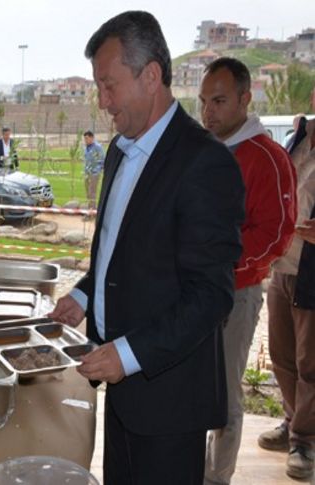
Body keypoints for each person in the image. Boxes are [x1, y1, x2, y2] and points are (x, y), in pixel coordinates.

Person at [49, 11, 245, 485]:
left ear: (151, 76)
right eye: (98, 87)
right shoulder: (120, 150)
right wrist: (83, 294)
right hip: (122, 392)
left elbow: (210, 296)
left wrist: (128, 354)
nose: (103, 102)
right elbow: (118, 251)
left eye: (109, 85)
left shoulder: (205, 163)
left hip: (169, 396)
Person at [198, 57, 298, 485]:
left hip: (235, 293)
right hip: (193, 292)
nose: (208, 112)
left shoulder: (267, 157)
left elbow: (277, 233)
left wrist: (217, 264)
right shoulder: (204, 149)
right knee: (197, 388)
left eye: (219, 101)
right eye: (204, 101)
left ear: (245, 98)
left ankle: (217, 478)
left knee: (224, 394)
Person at [257, 116, 315, 481]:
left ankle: (304, 442)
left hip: (312, 271)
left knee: (310, 362)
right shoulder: (300, 135)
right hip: (283, 264)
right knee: (281, 355)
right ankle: (293, 422)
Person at [82, 130, 105, 211]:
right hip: (87, 172)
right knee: (88, 192)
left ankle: (92, 211)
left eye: (87, 138)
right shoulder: (85, 147)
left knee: (92, 192)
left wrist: (97, 170)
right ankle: (90, 208)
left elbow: (102, 159)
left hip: (94, 173)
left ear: (92, 138)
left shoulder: (98, 147)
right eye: (84, 139)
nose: (85, 140)